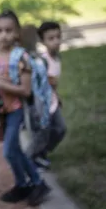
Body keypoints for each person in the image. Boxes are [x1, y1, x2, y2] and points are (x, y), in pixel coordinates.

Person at [0, 10, 50, 206]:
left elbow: (26, 90)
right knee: (14, 149)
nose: (4, 35)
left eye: (9, 30)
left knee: (10, 151)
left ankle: (35, 182)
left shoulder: (21, 58)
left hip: (17, 109)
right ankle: (25, 184)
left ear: (17, 33)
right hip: (1, 111)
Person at [33, 21, 67, 169]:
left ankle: (42, 153)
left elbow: (54, 84)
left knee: (60, 129)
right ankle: (32, 158)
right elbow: (36, 84)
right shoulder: (42, 61)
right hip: (43, 106)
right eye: (51, 38)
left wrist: (57, 96)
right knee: (43, 133)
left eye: (58, 37)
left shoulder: (57, 58)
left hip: (53, 102)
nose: (56, 41)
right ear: (43, 41)